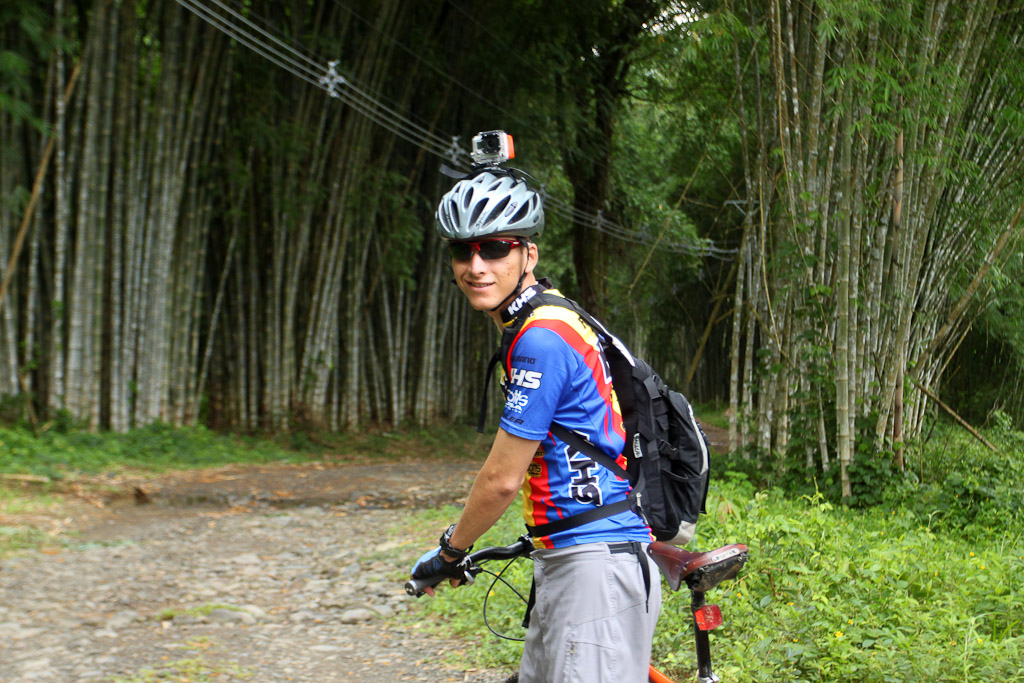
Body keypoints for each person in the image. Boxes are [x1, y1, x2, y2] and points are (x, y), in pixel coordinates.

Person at [410, 168, 661, 683]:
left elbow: (503, 478)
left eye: (495, 248)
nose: (476, 266)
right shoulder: (547, 319)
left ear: (529, 254)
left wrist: (450, 551)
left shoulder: (540, 339)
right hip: (573, 558)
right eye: (463, 251)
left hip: (593, 569)